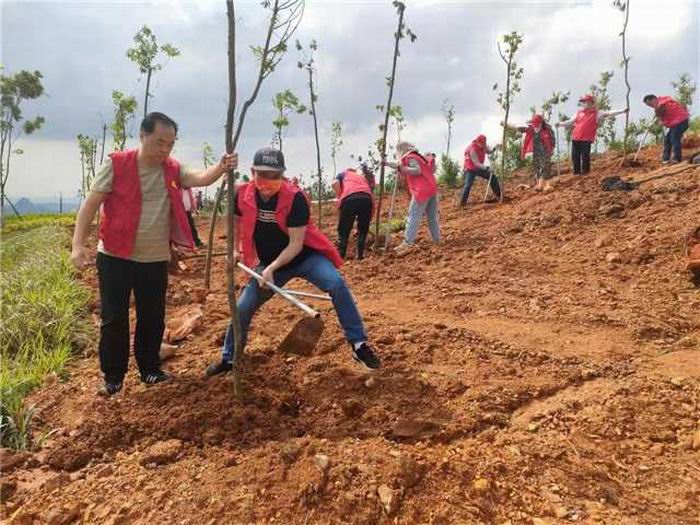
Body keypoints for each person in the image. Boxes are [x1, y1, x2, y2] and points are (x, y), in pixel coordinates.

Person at [70, 112, 238, 396]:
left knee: (152, 315)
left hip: (154, 257)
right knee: (114, 317)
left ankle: (149, 368)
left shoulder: (172, 168)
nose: (164, 149)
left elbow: (199, 178)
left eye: (170, 144)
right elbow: (89, 206)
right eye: (159, 142)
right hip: (115, 255)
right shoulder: (116, 164)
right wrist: (77, 245)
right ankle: (113, 377)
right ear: (143, 136)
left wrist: (221, 167)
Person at [205, 147, 380, 377]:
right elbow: (237, 222)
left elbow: (296, 244)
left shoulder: (295, 197)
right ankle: (230, 358)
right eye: (262, 175)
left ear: (283, 175)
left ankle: (359, 345)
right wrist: (236, 250)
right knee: (243, 307)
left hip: (304, 257)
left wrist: (272, 268)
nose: (268, 181)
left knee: (336, 284)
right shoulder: (241, 195)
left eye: (275, 176)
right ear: (252, 172)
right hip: (267, 263)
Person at [383, 142, 440, 255]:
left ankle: (408, 243)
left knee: (413, 215)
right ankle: (437, 240)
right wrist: (387, 163)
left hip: (422, 190)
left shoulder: (410, 157)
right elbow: (399, 164)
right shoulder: (419, 157)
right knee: (432, 217)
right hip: (431, 188)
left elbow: (416, 170)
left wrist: (402, 168)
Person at [556, 94, 628, 175]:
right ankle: (576, 173)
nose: (584, 104)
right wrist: (560, 124)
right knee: (575, 157)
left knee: (585, 156)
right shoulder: (578, 113)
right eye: (583, 102)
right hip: (576, 138)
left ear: (591, 103)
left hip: (586, 139)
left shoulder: (596, 113)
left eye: (586, 102)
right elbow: (570, 121)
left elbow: (608, 113)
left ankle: (585, 173)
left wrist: (622, 111)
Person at [332, 164, 374, 260]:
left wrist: (339, 197)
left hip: (349, 199)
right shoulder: (361, 178)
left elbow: (334, 183)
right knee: (363, 230)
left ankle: (341, 255)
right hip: (366, 199)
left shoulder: (343, 174)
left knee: (344, 229)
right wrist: (367, 220)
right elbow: (372, 204)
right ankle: (359, 256)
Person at [505, 114, 556, 192]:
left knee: (544, 167)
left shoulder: (546, 130)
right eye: (534, 124)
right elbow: (525, 138)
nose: (535, 126)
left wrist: (551, 150)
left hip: (546, 151)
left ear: (541, 123)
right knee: (536, 167)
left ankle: (541, 185)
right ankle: (540, 184)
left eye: (537, 124)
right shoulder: (531, 129)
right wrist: (523, 153)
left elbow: (551, 142)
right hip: (536, 151)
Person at [643, 94, 690, 164]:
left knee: (674, 138)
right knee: (667, 140)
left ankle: (677, 158)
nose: (651, 106)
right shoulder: (662, 103)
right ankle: (665, 159)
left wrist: (659, 117)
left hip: (681, 121)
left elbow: (661, 108)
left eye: (650, 104)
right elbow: (663, 115)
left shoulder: (662, 102)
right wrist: (659, 119)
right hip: (676, 123)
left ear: (653, 99)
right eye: (649, 106)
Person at [459, 134, 501, 206]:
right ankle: (462, 203)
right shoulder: (472, 149)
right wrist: (486, 168)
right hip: (470, 168)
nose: (483, 146)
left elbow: (489, 151)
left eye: (484, 144)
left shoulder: (483, 145)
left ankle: (499, 196)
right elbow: (476, 163)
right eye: (482, 144)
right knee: (468, 185)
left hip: (478, 167)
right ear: (478, 142)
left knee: (492, 177)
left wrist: (495, 148)